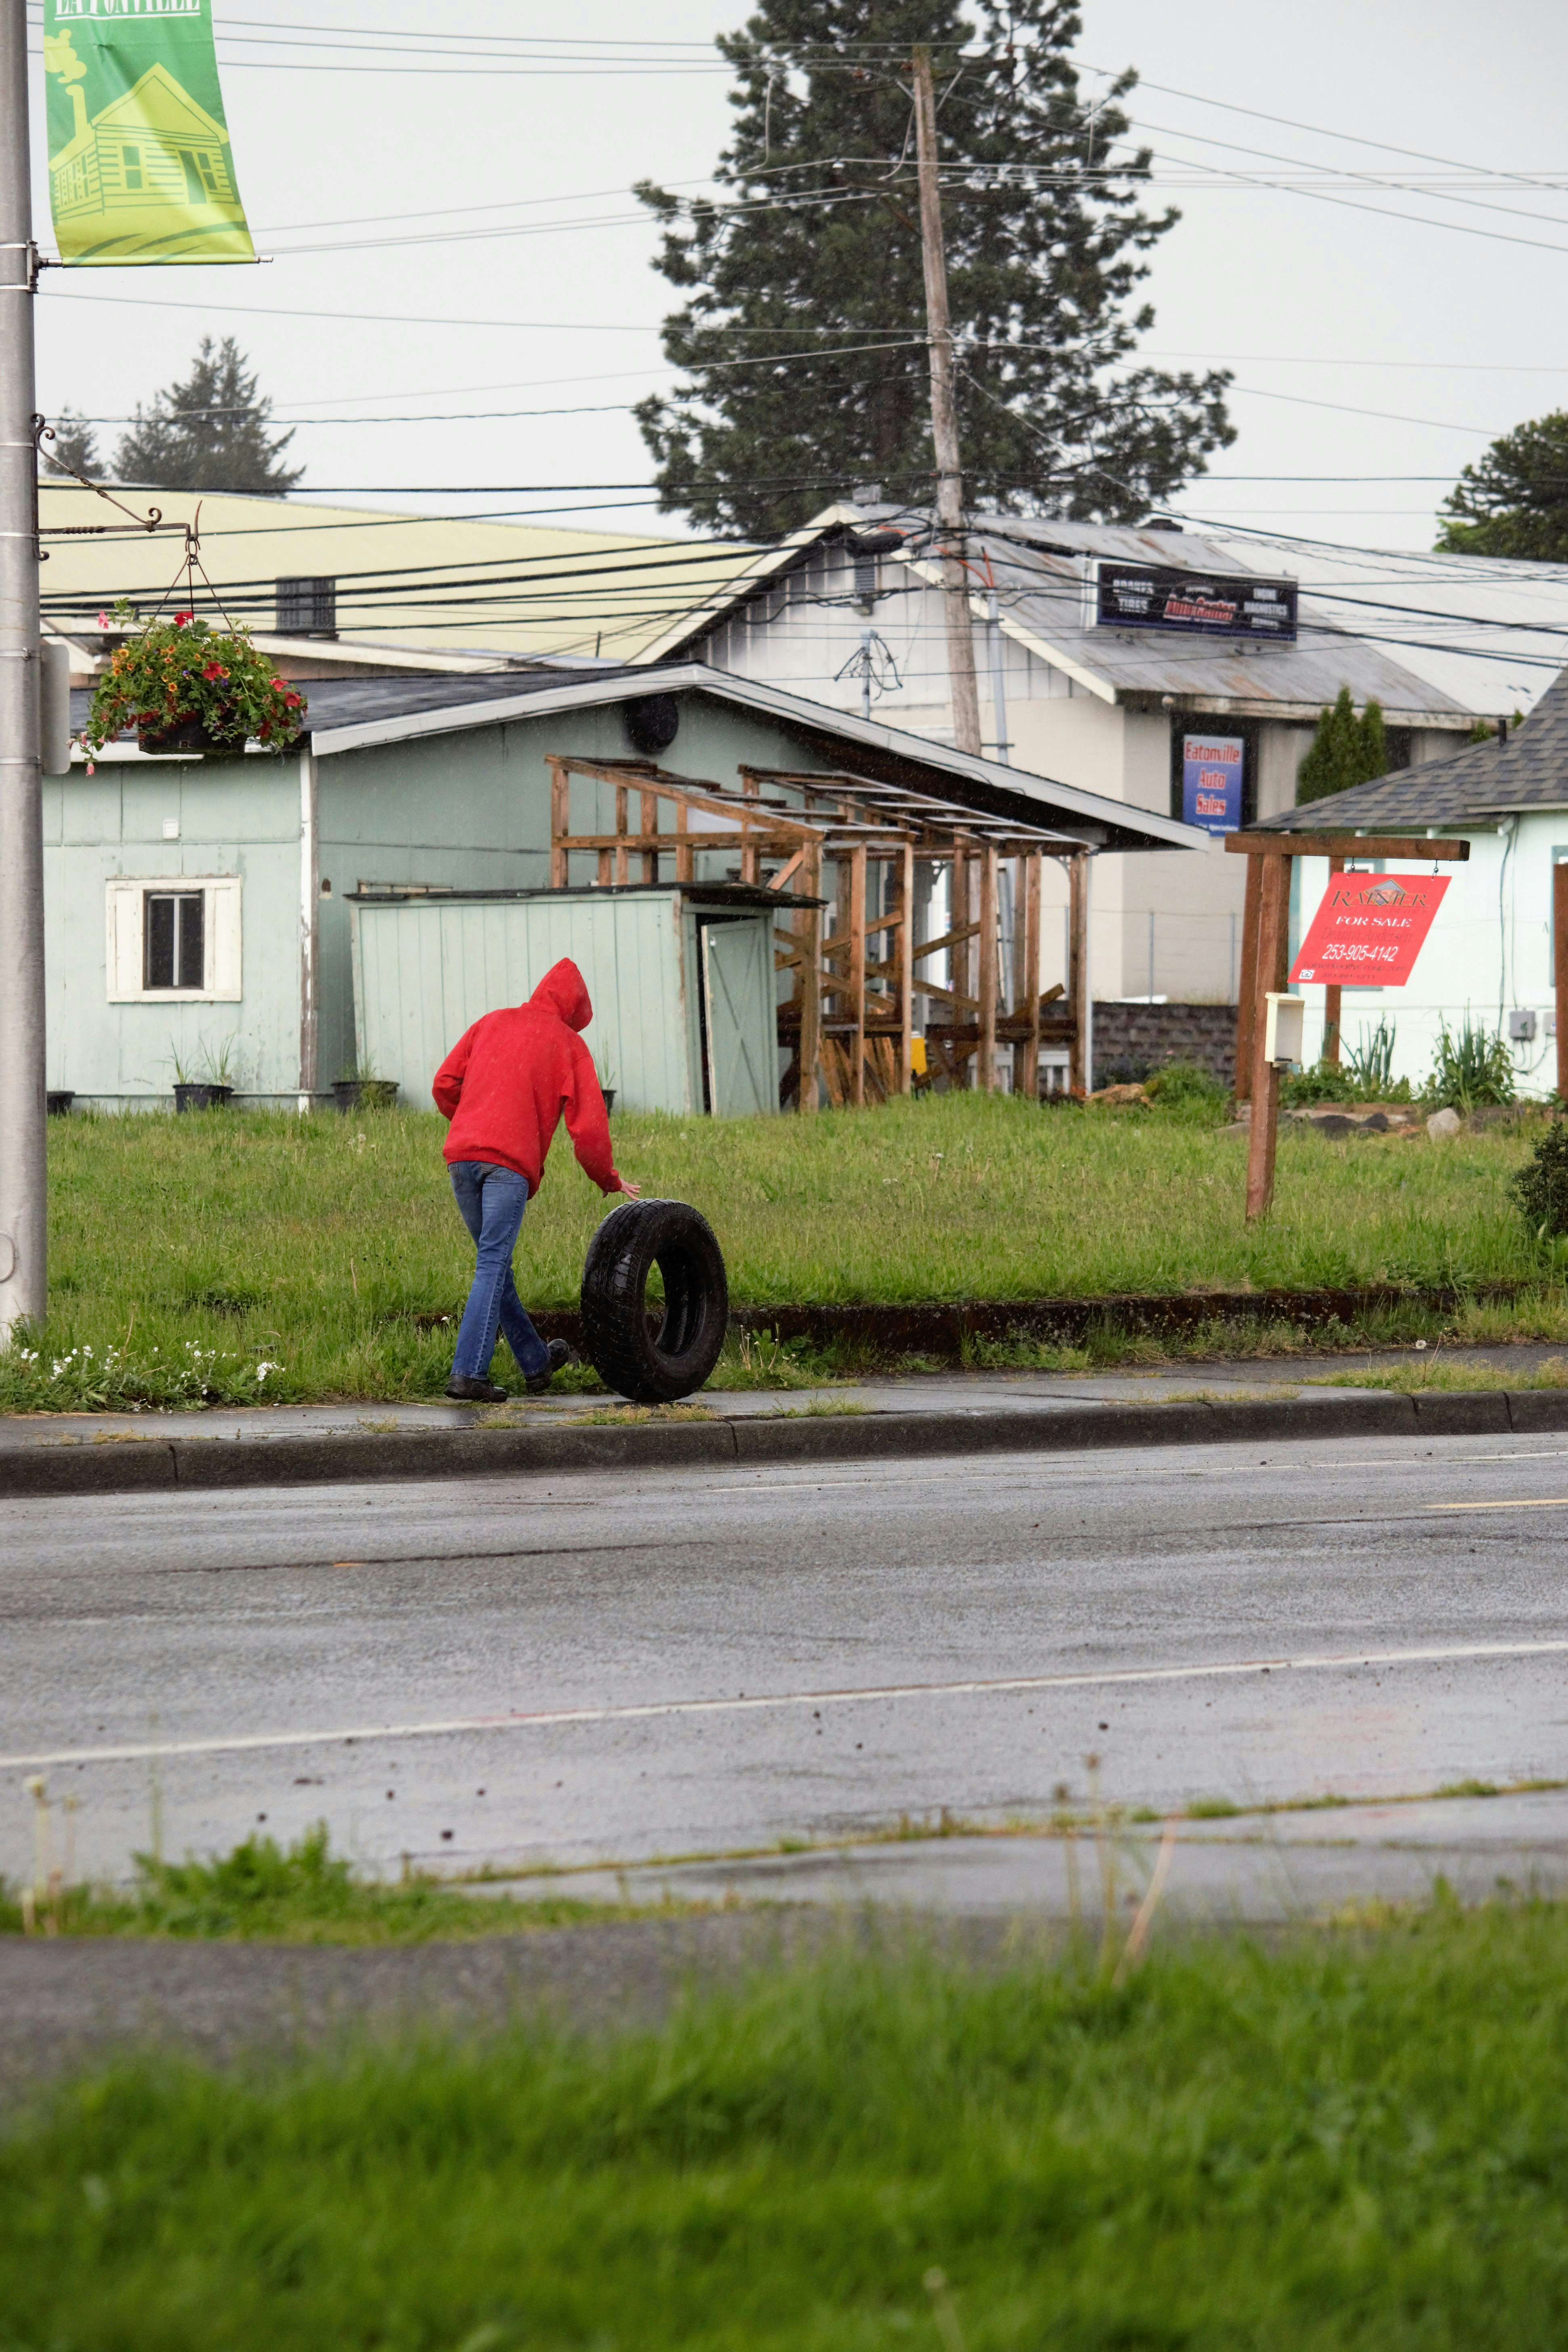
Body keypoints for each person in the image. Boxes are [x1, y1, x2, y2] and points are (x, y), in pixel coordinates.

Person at [432, 958, 640, 1403]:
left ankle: (536, 1362)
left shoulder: (491, 1022)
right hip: (507, 1167)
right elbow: (589, 1128)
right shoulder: (567, 1045)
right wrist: (608, 1177)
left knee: (496, 1264)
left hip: (461, 1159)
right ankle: (468, 1373)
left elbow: (444, 1083)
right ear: (574, 1009)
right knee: (491, 1264)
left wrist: (473, 1125)